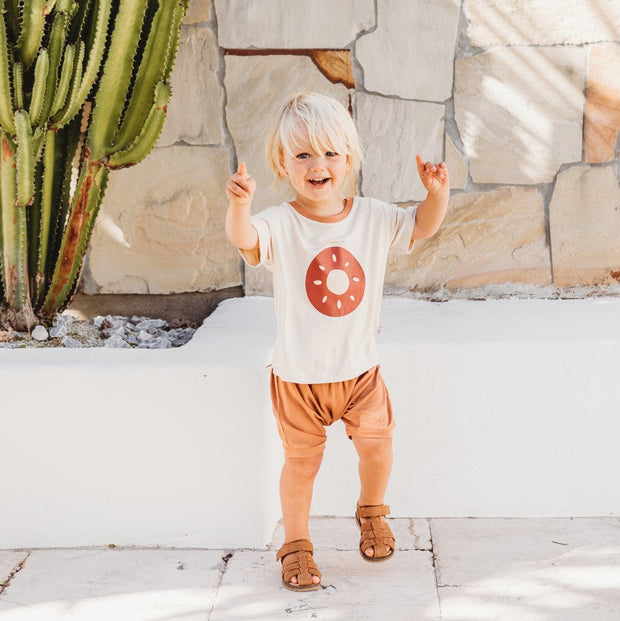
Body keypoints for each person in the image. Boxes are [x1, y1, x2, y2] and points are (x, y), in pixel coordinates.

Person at [225, 92, 449, 592]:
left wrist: (435, 195)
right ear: (282, 164)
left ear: (349, 158)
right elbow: (244, 239)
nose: (317, 165)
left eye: (329, 152)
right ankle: (297, 546)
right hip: (299, 378)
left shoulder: (372, 216)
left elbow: (422, 228)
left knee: (378, 449)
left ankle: (372, 511)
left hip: (360, 372)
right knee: (301, 466)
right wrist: (240, 205)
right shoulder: (280, 224)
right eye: (302, 154)